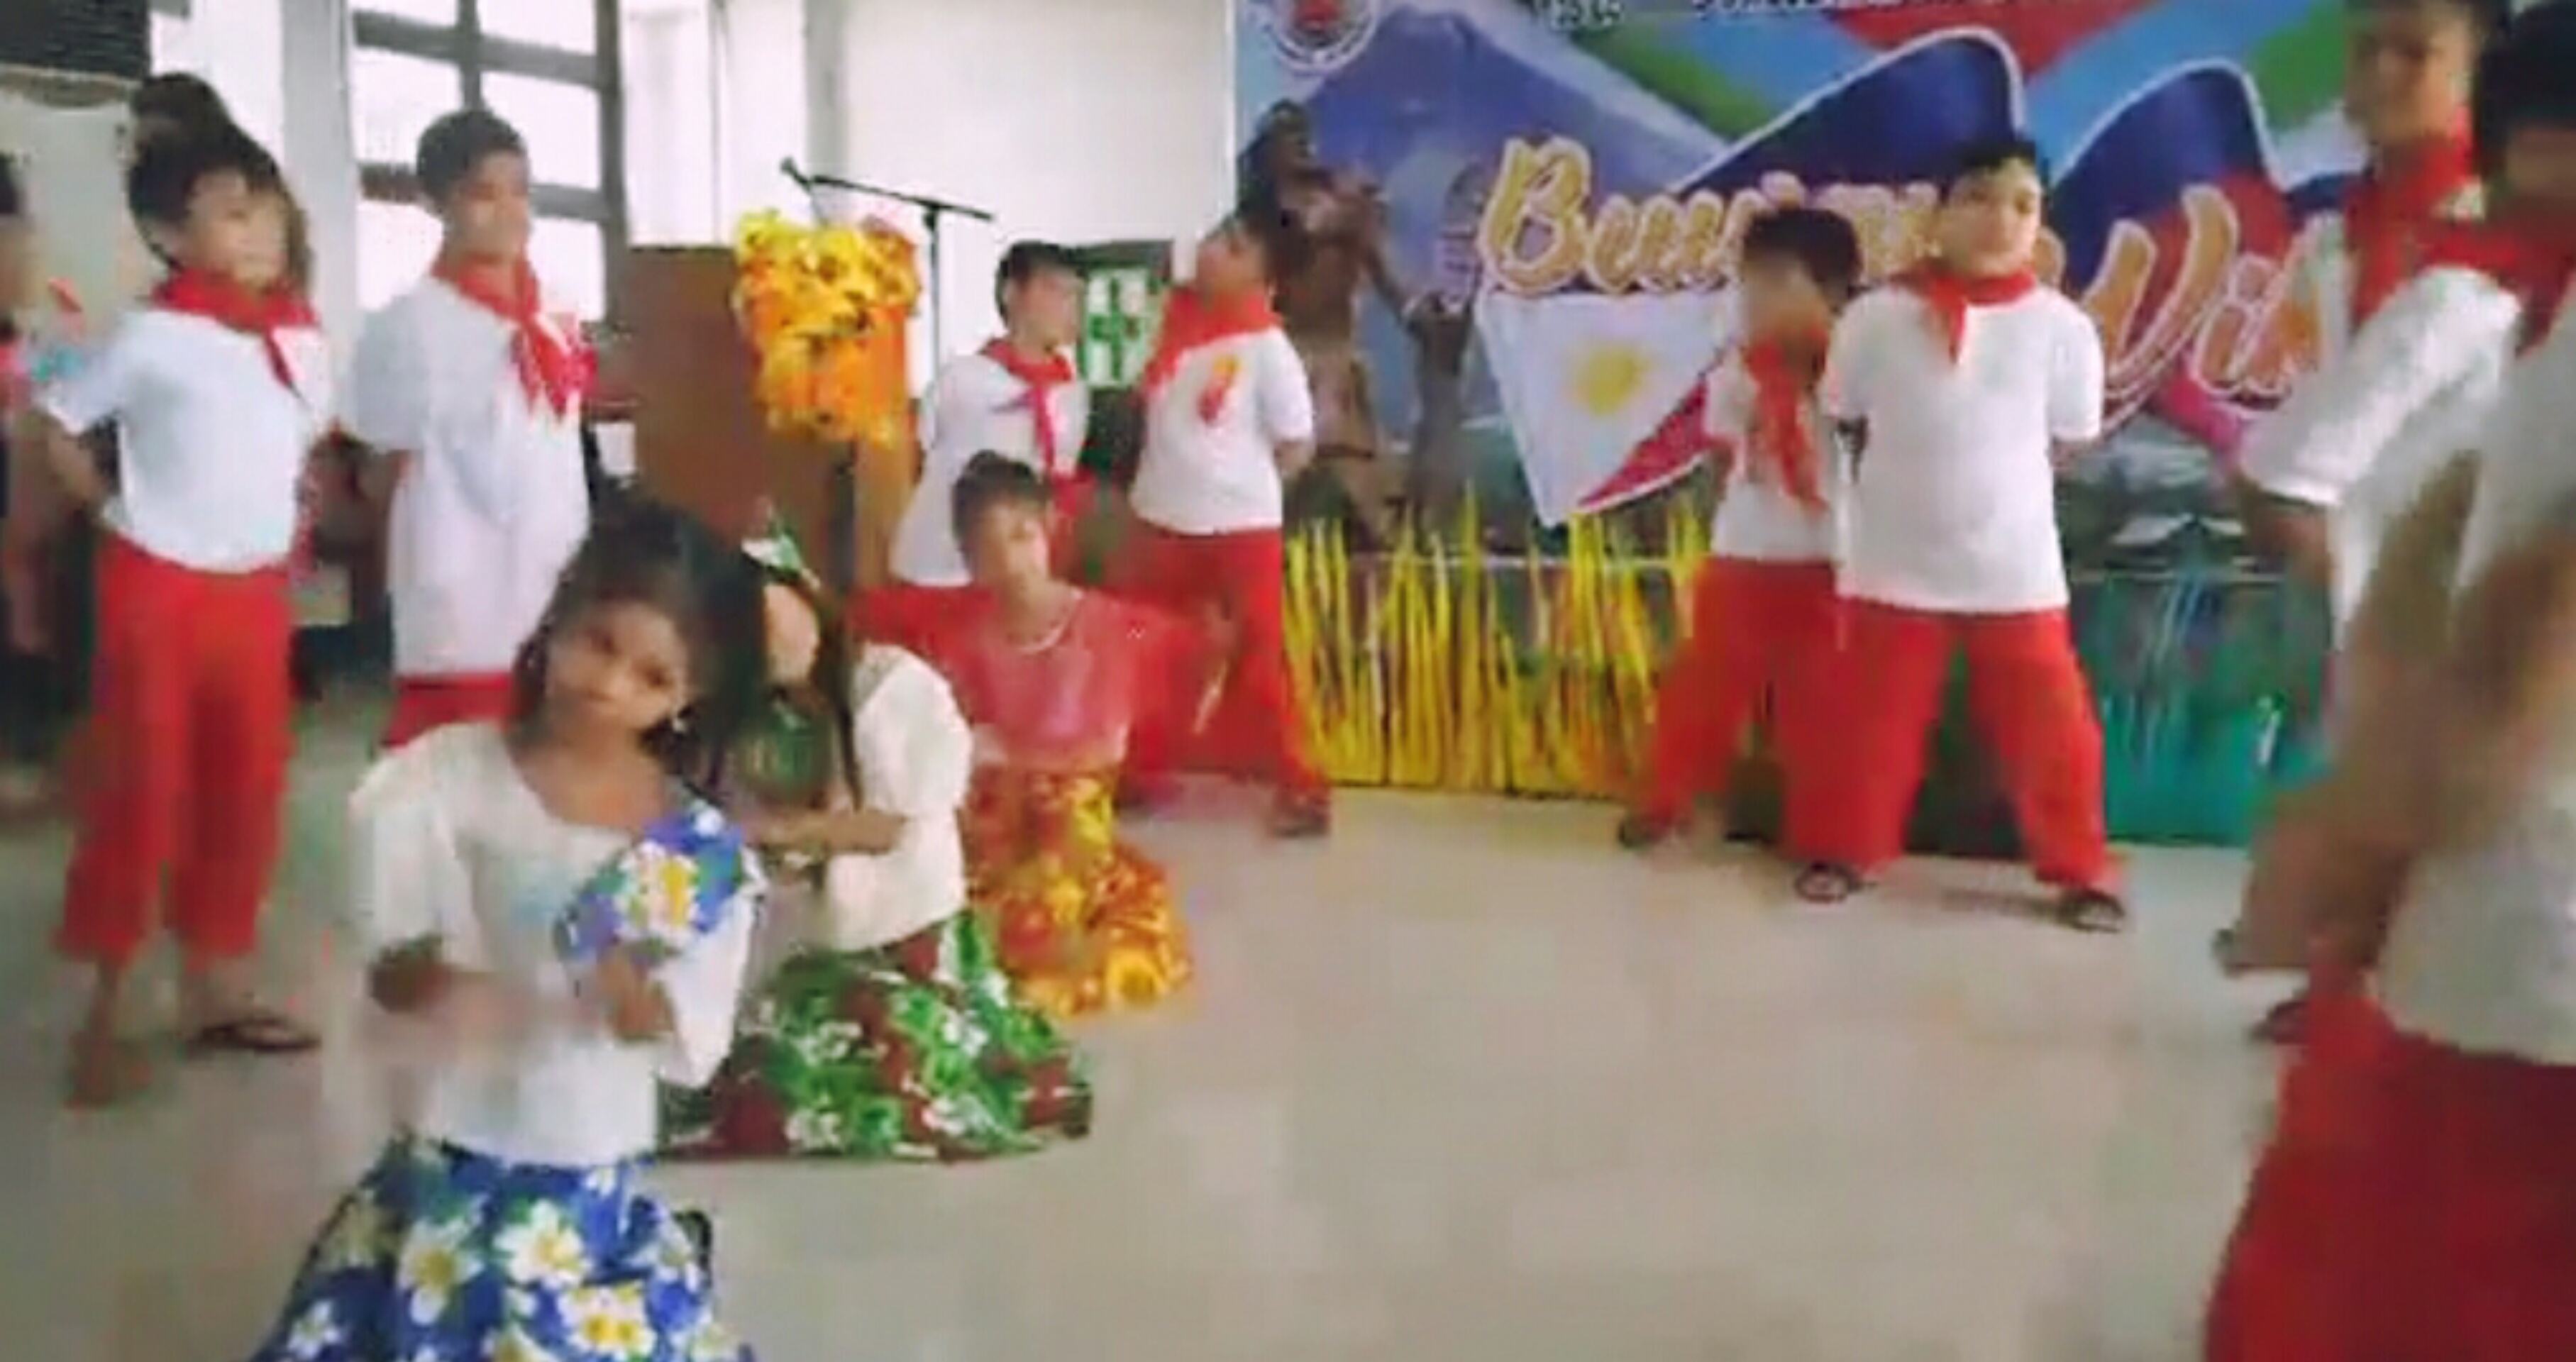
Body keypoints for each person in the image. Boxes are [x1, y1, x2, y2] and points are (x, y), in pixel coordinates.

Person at [2203, 8, 2576, 1353]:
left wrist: (2356, 835)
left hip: (2523, 940)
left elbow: (2532, 627)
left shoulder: (2507, 304)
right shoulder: (2491, 294)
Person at [241, 502, 764, 1362]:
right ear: (560, 612)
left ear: (686, 699)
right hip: (456, 1131)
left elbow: (686, 1040)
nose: (608, 685)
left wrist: (634, 999)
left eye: (650, 677)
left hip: (583, 1144)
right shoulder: (442, 780)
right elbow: (389, 962)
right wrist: (438, 984)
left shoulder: (693, 849)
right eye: (599, 643)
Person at [24, 124, 327, 1104]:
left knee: (247, 788)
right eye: (230, 213)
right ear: (168, 235)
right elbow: (54, 422)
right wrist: (112, 510)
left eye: (263, 205)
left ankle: (214, 990)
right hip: (158, 589)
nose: (259, 228)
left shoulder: (297, 337)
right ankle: (106, 1013)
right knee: (144, 791)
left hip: (255, 593)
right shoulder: (150, 336)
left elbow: (292, 450)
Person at [2223, 0, 2508, 1043]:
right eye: (2364, 48)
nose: (2380, 72)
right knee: (2388, 785)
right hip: (2385, 555)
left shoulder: (2485, 240)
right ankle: (2359, 989)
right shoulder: (2351, 228)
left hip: (2477, 554)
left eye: (2414, 52)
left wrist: (2287, 486)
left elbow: (2326, 432)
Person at [663, 516, 1091, 1161]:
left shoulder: (893, 685)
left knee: (891, 1090)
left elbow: (884, 827)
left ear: (805, 594)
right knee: (761, 1093)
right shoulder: (762, 716)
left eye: (769, 614)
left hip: (906, 933)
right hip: (820, 941)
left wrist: (771, 831)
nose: (765, 640)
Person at [1793, 134, 2119, 929]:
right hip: (1892, 559)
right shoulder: (1874, 318)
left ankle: (2080, 870)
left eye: (2022, 204)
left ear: (2040, 224)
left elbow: (2071, 435)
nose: (2000, 220)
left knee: (2052, 729)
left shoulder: (2062, 329)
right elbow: (1843, 410)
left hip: (2014, 567)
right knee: (1869, 719)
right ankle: (1844, 849)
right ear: (1936, 214)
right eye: (1977, 198)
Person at [1617, 206, 1862, 853]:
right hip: (1744, 555)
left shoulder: (1854, 373)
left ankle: (1824, 831)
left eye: (1777, 282)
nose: (1756, 298)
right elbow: (1725, 453)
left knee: (1821, 702)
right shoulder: (1735, 373)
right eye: (1750, 281)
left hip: (1832, 561)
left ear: (1831, 291)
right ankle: (1668, 800)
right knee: (1705, 688)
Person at [344, 108, 591, 750]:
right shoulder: (407, 325)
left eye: (521, 191)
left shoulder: (555, 311)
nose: (510, 211)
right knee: (454, 765)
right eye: (484, 194)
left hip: (552, 569)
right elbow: (381, 470)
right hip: (460, 586)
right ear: (435, 203)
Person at [943, 453, 1196, 1019]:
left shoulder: (1102, 626)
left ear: (1048, 529)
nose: (1011, 560)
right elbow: (958, 741)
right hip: (1001, 812)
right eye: (989, 548)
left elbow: (1104, 750)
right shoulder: (970, 642)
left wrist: (1010, 756)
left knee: (1041, 908)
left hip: (1071, 811)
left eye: (1021, 536)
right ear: (970, 561)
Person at [1114, 214, 1330, 838]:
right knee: (1150, 655)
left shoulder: (1265, 346)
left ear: (1261, 274)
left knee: (1260, 661)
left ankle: (1299, 786)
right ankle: (1143, 772)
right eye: (1214, 238)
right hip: (1158, 516)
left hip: (1239, 528)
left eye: (1232, 248)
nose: (1210, 251)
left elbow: (1296, 443)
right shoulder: (1172, 325)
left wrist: (1239, 492)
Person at [866, 241, 1088, 653]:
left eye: (1075, 294)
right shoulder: (963, 378)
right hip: (934, 564)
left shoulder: (1071, 396)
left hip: (1003, 574)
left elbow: (1057, 484)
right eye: (1054, 289)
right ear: (1012, 293)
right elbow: (915, 454)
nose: (1068, 305)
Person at [1237, 99, 1424, 546]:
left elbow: (1386, 273)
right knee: (1271, 475)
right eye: (1284, 140)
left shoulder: (1346, 204)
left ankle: (1382, 546)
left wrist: (1418, 317)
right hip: (1275, 351)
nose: (1296, 148)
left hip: (1332, 355)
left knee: (1354, 469)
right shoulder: (1255, 212)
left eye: (1300, 139)